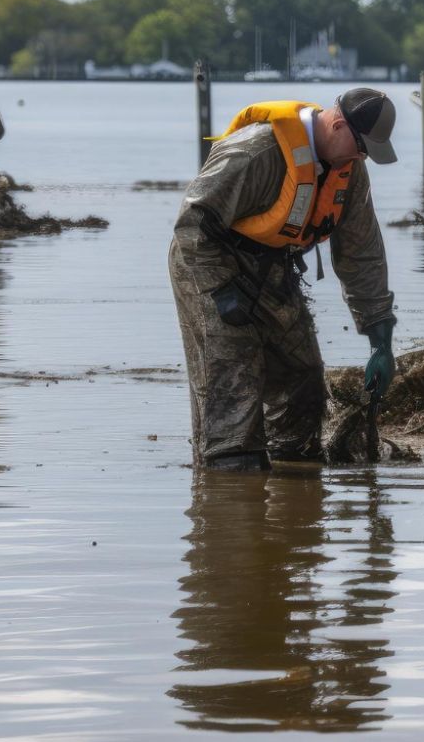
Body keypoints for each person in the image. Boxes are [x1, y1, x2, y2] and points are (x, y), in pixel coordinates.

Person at [169, 88, 399, 472]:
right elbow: (191, 225)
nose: (362, 159)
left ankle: (296, 471)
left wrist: (380, 335)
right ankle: (229, 477)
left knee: (302, 374)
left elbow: (362, 253)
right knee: (234, 373)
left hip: (272, 264)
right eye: (361, 148)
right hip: (210, 260)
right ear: (338, 124)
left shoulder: (349, 173)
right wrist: (222, 292)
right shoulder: (256, 152)